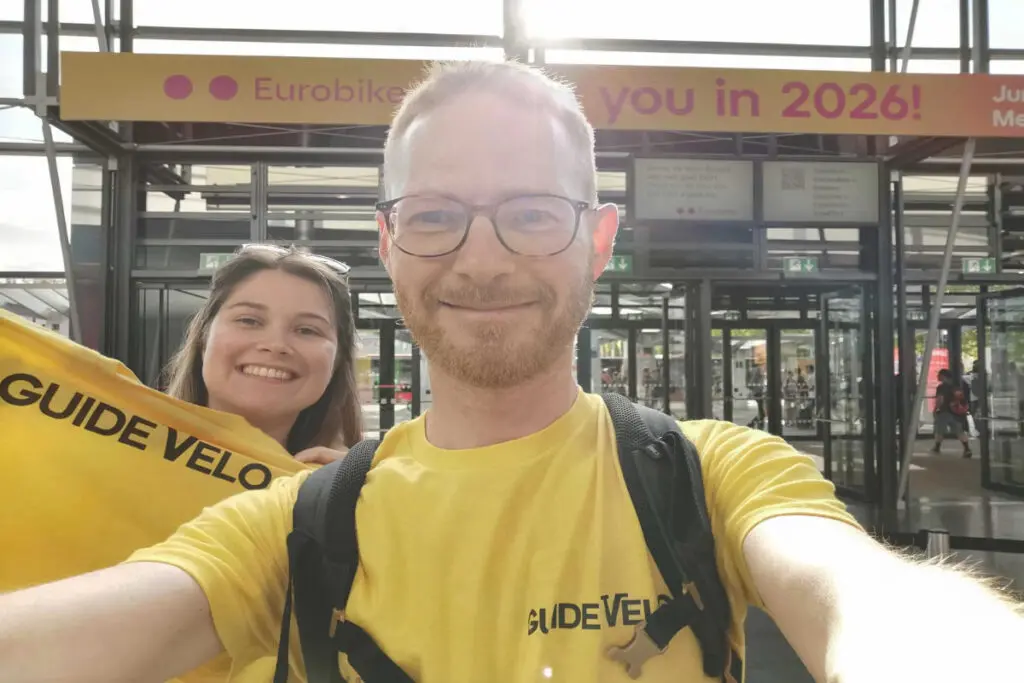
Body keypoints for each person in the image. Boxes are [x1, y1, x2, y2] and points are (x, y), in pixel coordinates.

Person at [1, 60, 1021, 683]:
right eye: (438, 214)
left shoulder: (707, 475)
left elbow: (862, 591)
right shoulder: (298, 518)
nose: (481, 259)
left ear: (597, 239)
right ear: (390, 241)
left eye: (532, 212)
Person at [165, 244, 364, 464]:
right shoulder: (124, 455)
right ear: (203, 337)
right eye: (249, 320)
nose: (276, 344)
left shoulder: (363, 489)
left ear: (336, 360)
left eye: (307, 330)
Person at [931, 368, 973, 458]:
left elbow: (940, 399)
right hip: (956, 412)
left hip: (944, 411)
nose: (938, 376)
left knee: (940, 430)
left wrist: (935, 409)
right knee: (959, 431)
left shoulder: (941, 387)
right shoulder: (956, 386)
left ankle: (937, 447)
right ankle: (967, 449)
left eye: (939, 375)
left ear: (943, 376)